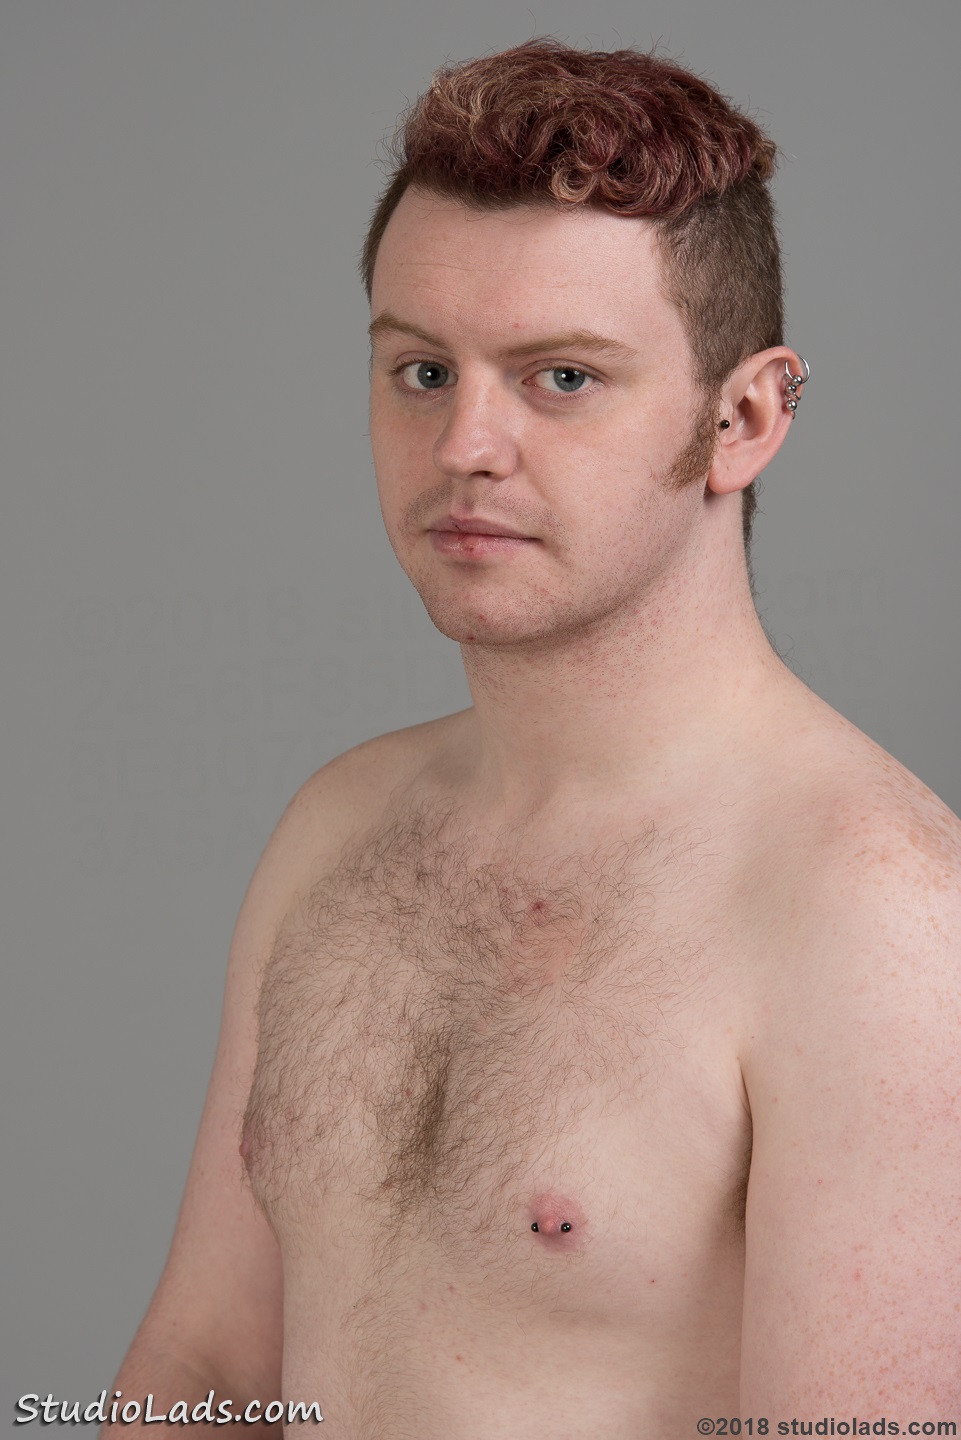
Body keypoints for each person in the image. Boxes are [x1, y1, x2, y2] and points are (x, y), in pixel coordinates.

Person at [107, 40, 961, 1436]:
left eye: (561, 377)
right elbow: (203, 1365)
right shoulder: (341, 824)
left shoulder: (876, 914)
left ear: (744, 417)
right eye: (421, 371)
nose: (465, 445)